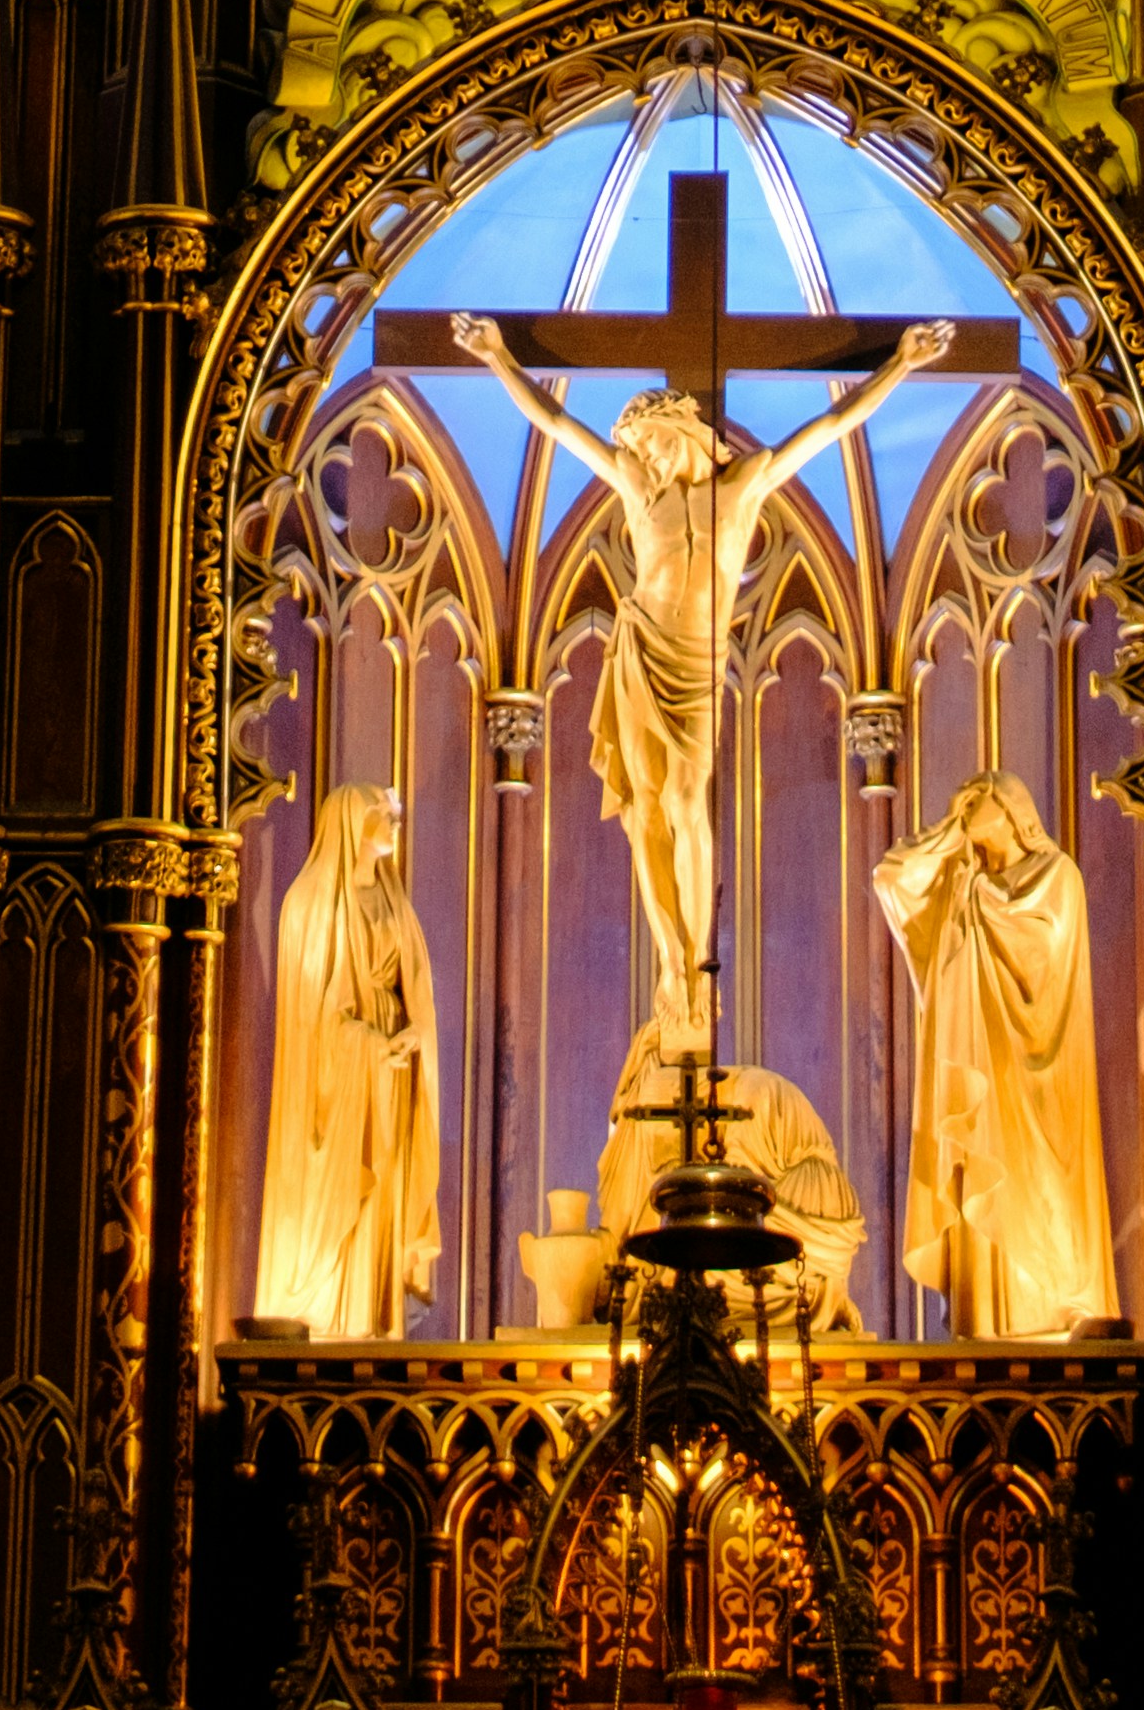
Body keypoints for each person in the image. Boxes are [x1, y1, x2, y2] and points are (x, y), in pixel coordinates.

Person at [442, 311, 972, 1027]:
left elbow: (831, 428)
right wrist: (499, 357)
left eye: (646, 441)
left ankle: (698, 959)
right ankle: (672, 959)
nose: (640, 454)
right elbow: (558, 426)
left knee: (688, 802)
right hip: (644, 650)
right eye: (634, 447)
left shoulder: (747, 483)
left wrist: (901, 364)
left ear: (675, 431)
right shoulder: (638, 489)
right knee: (651, 811)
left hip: (695, 663)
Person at [873, 777, 1121, 1337]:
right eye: (957, 798)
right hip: (980, 1088)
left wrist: (981, 896)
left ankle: (1052, 1301)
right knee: (979, 1173)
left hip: (1041, 1084)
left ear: (1011, 808)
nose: (961, 804)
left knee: (1035, 1195)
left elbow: (1044, 959)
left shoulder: (1056, 878)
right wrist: (947, 833)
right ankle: (988, 1319)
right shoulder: (961, 886)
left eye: (973, 797)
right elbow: (891, 876)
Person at [242, 784, 440, 1339]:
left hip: (392, 1080)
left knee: (384, 1198)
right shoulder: (310, 903)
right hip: (343, 1077)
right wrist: (368, 1044)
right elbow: (312, 1020)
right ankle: (335, 1318)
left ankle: (375, 1322)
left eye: (398, 815)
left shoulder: (397, 904)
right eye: (386, 814)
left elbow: (418, 990)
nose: (397, 824)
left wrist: (414, 1035)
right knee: (350, 1194)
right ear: (354, 821)